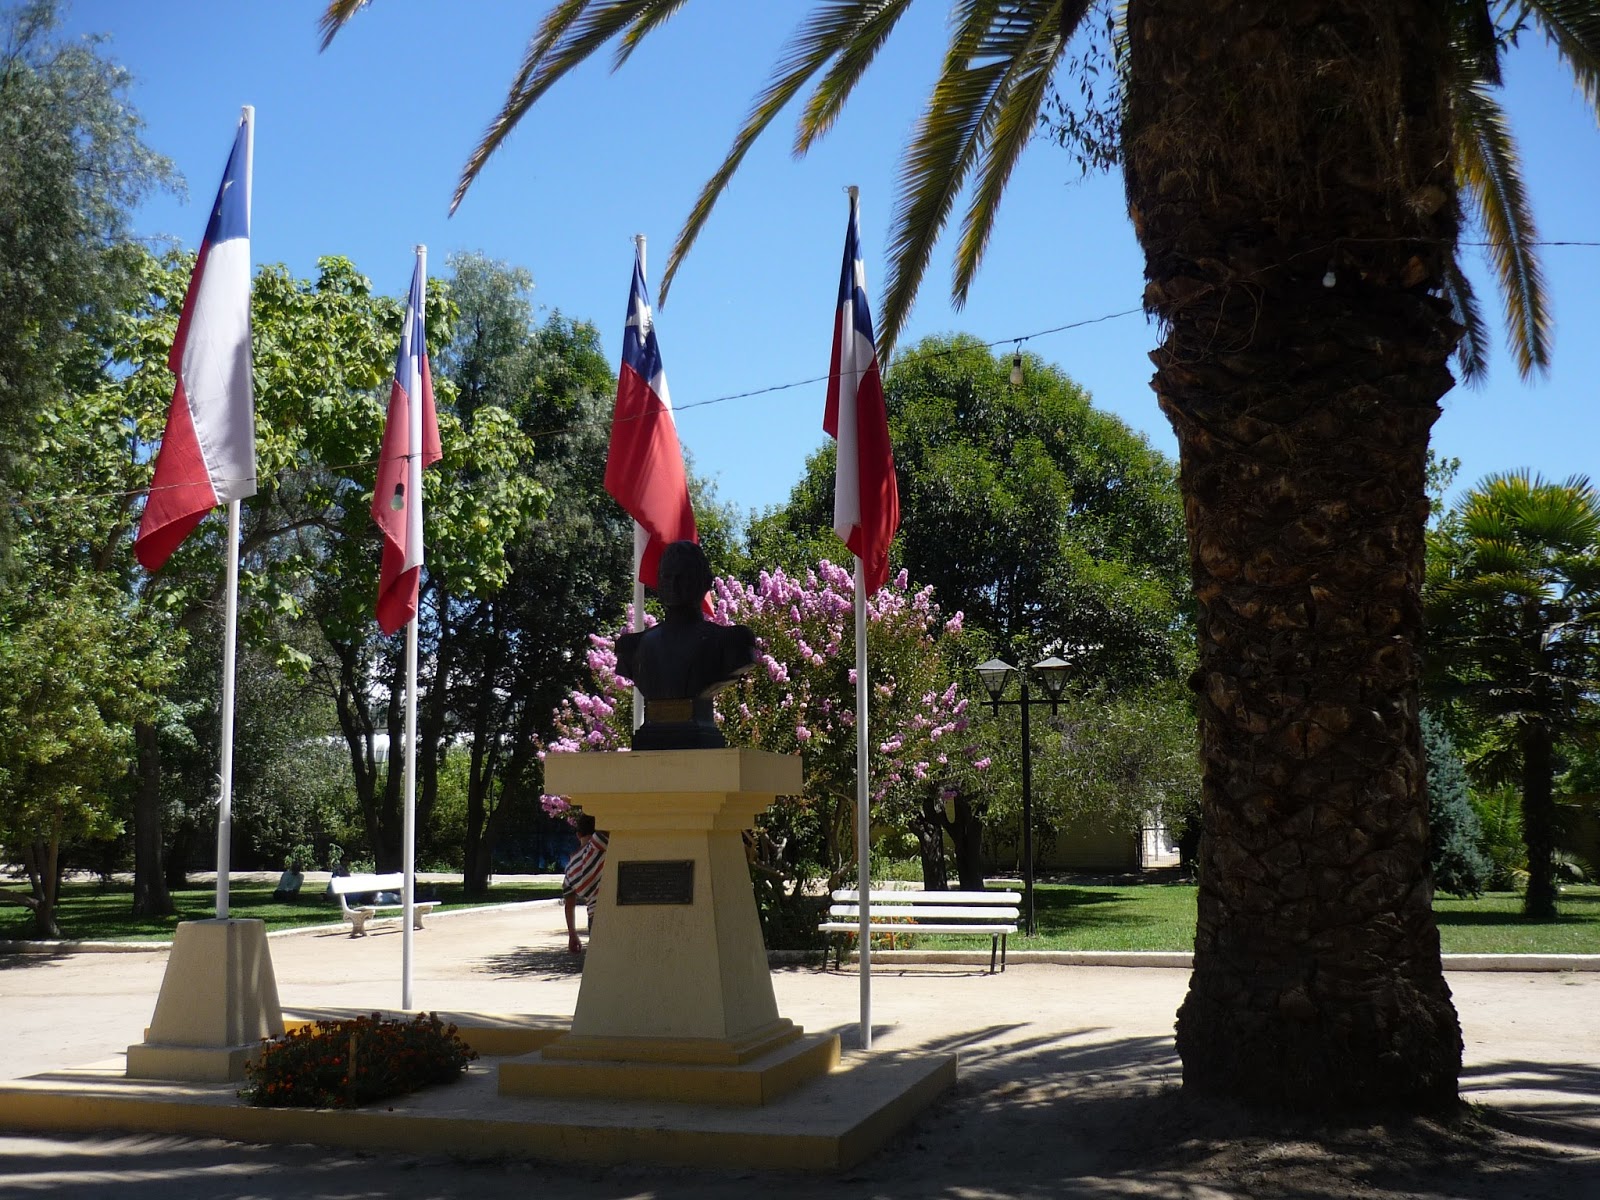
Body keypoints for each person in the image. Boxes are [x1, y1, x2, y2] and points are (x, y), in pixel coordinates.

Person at [563, 813, 608, 954]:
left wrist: (572, 935)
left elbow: (569, 905)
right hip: (610, 910)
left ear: (578, 835)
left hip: (593, 917)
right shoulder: (597, 844)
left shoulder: (570, 868)